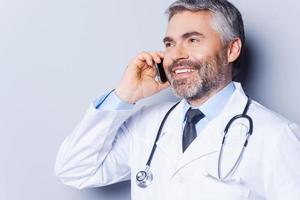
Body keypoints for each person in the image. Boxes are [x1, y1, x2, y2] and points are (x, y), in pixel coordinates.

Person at [55, 0, 300, 199]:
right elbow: (74, 170)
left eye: (192, 40)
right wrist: (124, 95)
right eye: (170, 43)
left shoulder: (275, 136)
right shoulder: (147, 124)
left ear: (231, 50)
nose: (176, 55)